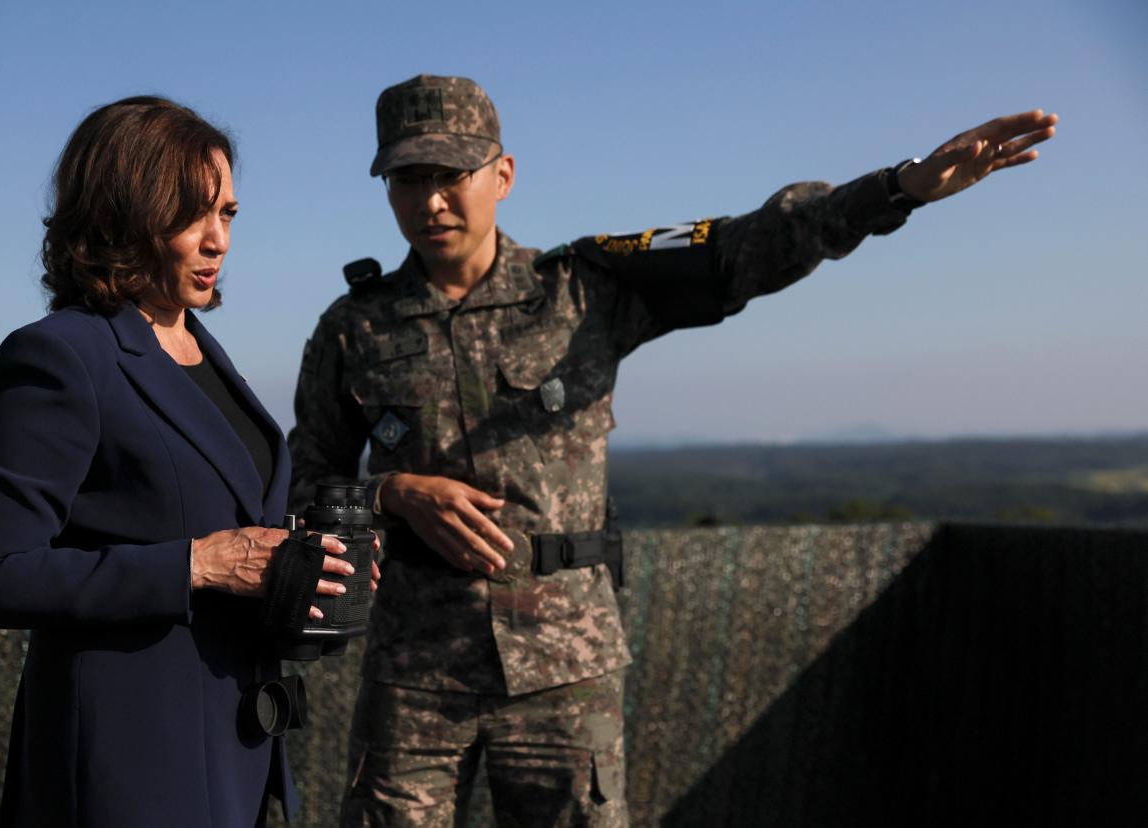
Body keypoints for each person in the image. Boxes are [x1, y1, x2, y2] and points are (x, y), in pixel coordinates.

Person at [288, 74, 1057, 826]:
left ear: (503, 174)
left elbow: (747, 249)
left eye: (451, 175)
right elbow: (303, 482)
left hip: (567, 666)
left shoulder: (583, 289)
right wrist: (392, 495)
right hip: (416, 673)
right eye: (406, 179)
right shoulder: (355, 327)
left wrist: (900, 189)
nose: (429, 202)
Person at [0, 96, 361, 827]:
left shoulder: (203, 351)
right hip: (129, 774)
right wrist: (195, 564)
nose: (217, 240)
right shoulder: (63, 355)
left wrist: (309, 581)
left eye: (228, 213)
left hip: (242, 759)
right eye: (190, 214)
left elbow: (236, 530)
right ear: (122, 215)